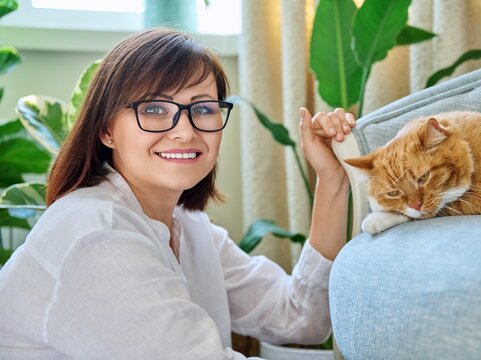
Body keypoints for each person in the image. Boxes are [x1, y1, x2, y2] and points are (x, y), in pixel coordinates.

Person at [0, 28, 354, 359]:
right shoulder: (96, 234)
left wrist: (332, 178)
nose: (185, 132)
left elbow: (301, 316)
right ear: (106, 129)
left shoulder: (190, 227)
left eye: (202, 108)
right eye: (154, 109)